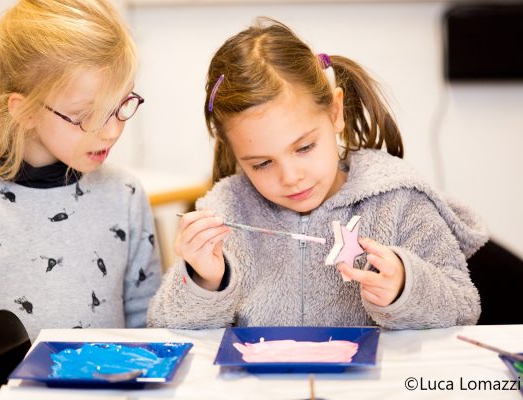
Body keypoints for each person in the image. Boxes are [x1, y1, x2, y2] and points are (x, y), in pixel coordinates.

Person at [148, 18, 487, 330]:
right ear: (233, 150)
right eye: (262, 163)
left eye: (304, 147)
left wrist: (404, 288)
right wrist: (204, 280)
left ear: (335, 112)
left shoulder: (398, 202)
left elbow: (464, 307)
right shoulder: (225, 214)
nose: (291, 177)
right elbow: (163, 327)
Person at [0, 0, 161, 346]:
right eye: (87, 114)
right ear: (24, 110)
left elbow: (149, 328)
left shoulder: (125, 193)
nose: (111, 131)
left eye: (120, 106)